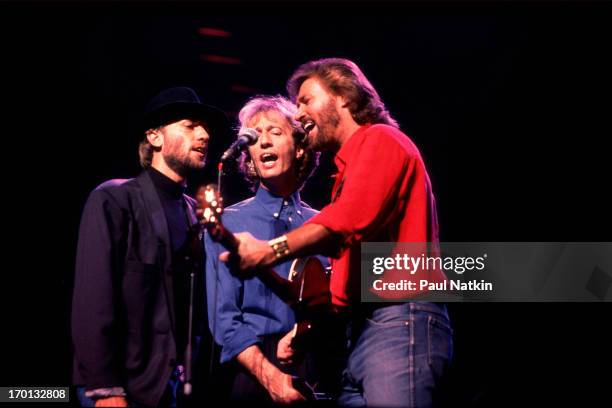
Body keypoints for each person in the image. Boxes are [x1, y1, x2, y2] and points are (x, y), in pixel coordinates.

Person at [220, 58, 453, 407]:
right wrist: (302, 331)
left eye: (306, 101)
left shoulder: (381, 140)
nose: (298, 115)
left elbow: (349, 219)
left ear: (343, 96)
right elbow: (337, 284)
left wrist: (270, 251)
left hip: (398, 320)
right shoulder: (347, 172)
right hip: (362, 335)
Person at [72, 86, 227, 407]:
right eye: (190, 125)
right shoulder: (115, 198)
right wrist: (105, 389)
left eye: (206, 128)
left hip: (173, 389)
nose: (204, 135)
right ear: (154, 137)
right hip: (125, 386)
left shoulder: (192, 212)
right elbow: (93, 297)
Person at [204, 95, 333, 405]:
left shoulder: (325, 224)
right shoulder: (230, 223)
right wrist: (270, 378)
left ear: (300, 146)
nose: (263, 142)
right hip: (253, 372)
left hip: (319, 368)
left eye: (274, 132)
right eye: (255, 135)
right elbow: (224, 321)